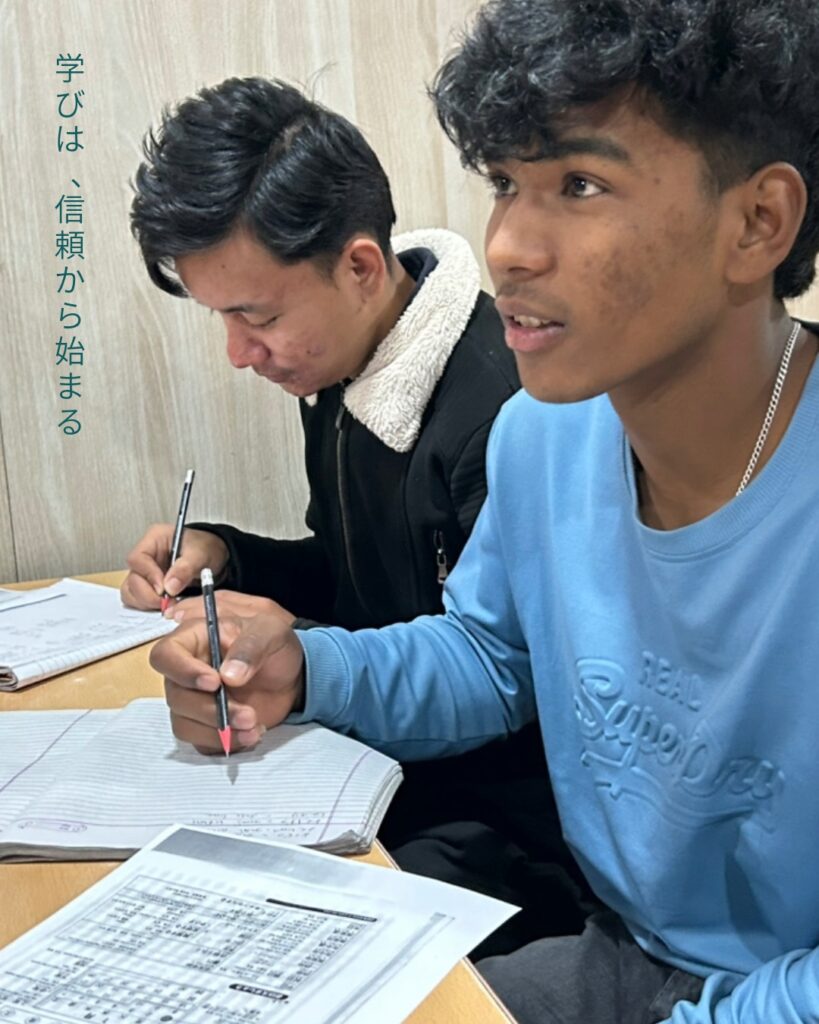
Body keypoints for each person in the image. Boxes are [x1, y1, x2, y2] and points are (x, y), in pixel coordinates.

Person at [150, 1, 819, 1021]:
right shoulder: (541, 437)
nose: (506, 247)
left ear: (757, 222)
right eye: (505, 184)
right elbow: (490, 657)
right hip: (627, 953)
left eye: (579, 184)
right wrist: (307, 670)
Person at [124, 77, 565, 957]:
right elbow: (355, 575)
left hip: (501, 825)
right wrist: (227, 558)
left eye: (256, 316)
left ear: (361, 267)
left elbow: (503, 675)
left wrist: (305, 673)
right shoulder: (343, 375)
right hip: (377, 764)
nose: (238, 353)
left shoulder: (503, 410)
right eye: (222, 318)